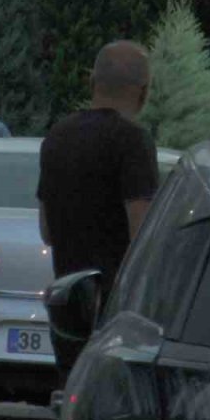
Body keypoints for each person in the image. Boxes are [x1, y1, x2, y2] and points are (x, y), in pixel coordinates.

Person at [38, 40, 159, 387]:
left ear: (92, 83)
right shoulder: (133, 140)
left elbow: (47, 229)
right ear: (144, 91)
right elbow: (142, 232)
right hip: (115, 308)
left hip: (67, 303)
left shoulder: (57, 136)